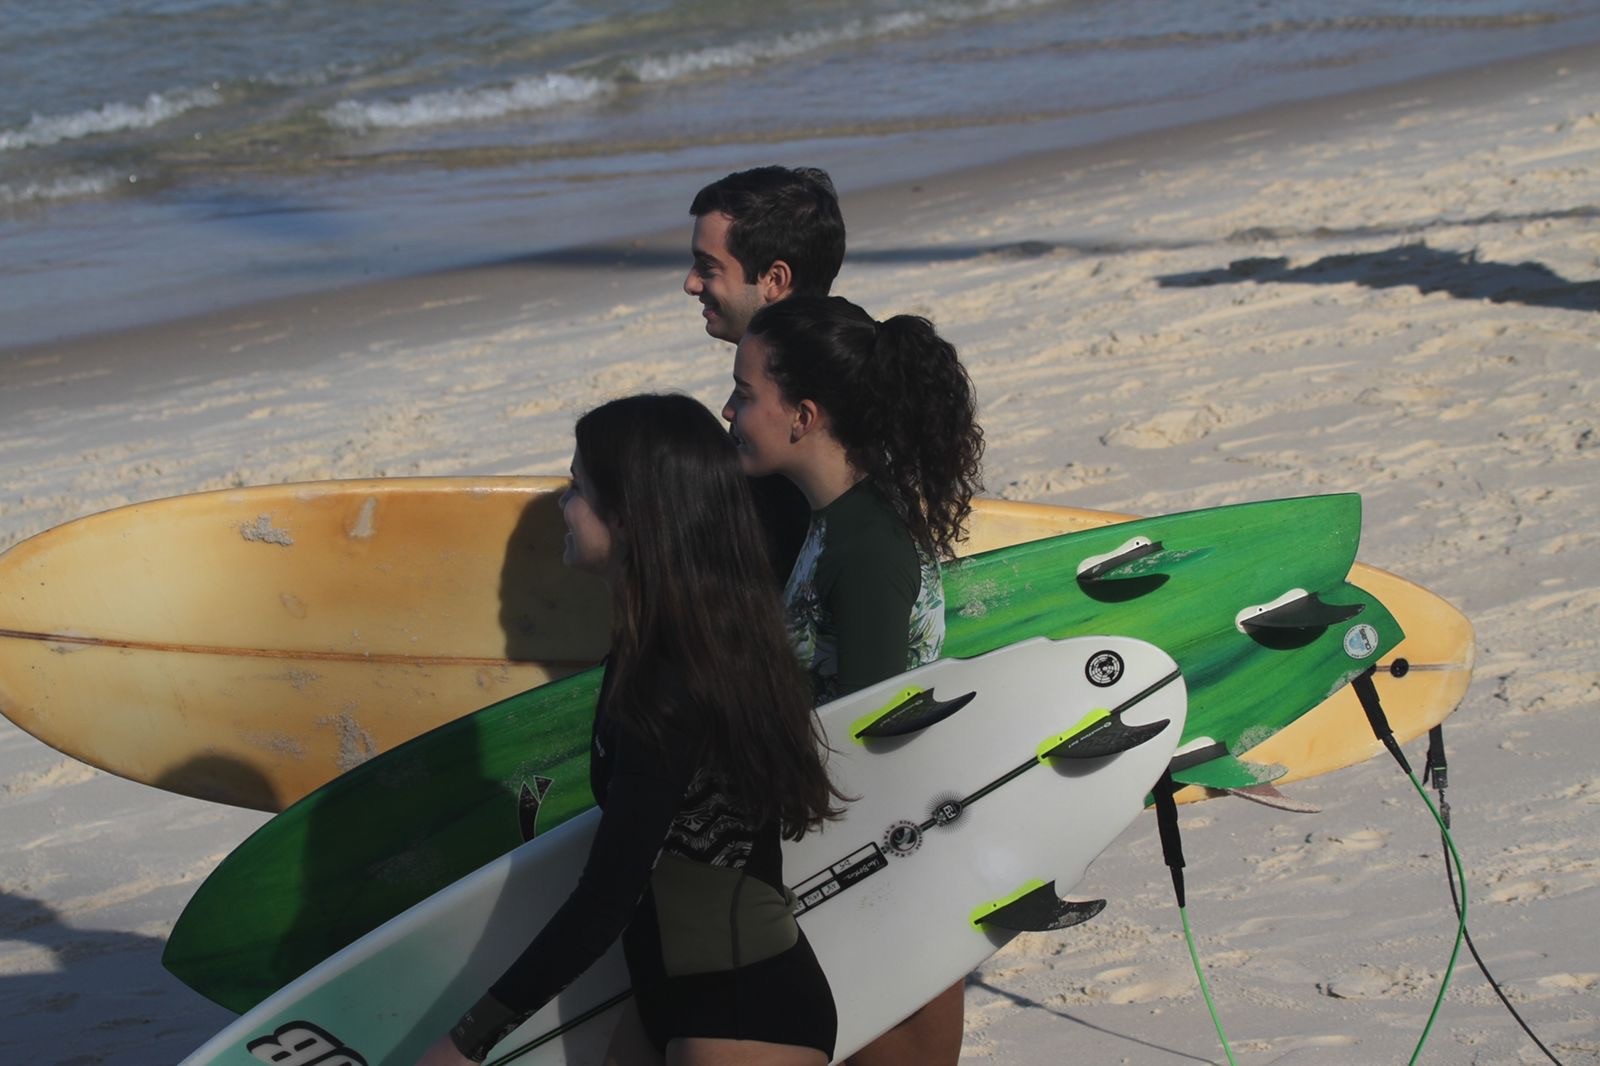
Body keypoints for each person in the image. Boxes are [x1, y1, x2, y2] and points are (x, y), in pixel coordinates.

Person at [415, 394, 843, 1066]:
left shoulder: (673, 679)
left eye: (579, 486)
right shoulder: (668, 649)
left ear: (630, 514)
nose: (565, 502)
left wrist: (465, 1043)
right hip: (670, 1006)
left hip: (741, 1017)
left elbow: (607, 896)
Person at [723, 293, 985, 1062]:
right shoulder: (834, 523)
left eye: (744, 394)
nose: (730, 411)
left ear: (802, 416)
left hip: (881, 872)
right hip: (864, 860)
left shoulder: (866, 544)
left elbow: (871, 733)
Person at [685, 165, 847, 580]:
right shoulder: (840, 367)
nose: (690, 284)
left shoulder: (786, 418)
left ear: (774, 279)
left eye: (708, 267)